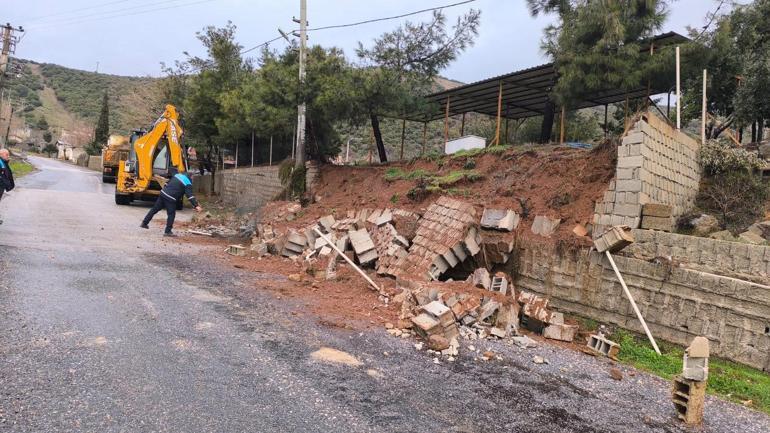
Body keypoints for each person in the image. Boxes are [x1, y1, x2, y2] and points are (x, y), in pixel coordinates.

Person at [140, 168, 202, 236]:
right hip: (170, 198)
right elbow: (190, 196)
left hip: (163, 193)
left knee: (154, 209)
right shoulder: (187, 183)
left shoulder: (177, 175)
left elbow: (167, 183)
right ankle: (168, 231)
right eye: (194, 177)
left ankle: (144, 223)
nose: (194, 179)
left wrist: (166, 190)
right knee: (171, 214)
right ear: (192, 176)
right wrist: (196, 206)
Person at [0, 149, 15, 225]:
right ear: (1, 154)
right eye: (7, 154)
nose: (8, 156)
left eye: (8, 154)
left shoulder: (3, 162)